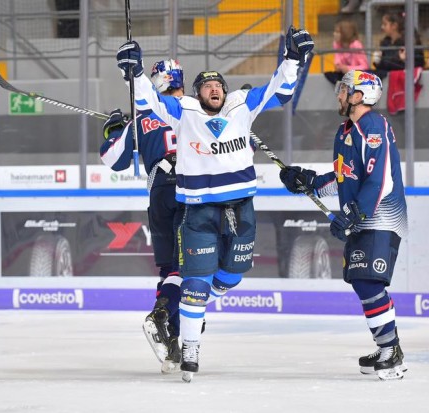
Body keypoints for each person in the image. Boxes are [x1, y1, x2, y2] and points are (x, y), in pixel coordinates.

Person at [115, 25, 314, 382]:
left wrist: (293, 59)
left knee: (230, 277)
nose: (214, 89)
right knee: (193, 281)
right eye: (207, 86)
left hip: (241, 209)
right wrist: (134, 73)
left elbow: (278, 90)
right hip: (199, 211)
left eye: (218, 84)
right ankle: (189, 349)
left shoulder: (241, 104)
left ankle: (194, 310)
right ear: (197, 92)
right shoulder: (184, 111)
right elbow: (149, 101)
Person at [279, 70, 408, 381]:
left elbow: (380, 179)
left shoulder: (373, 126)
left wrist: (354, 213)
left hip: (380, 217)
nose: (338, 94)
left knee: (368, 282)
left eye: (344, 89)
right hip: (364, 218)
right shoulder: (346, 131)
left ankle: (392, 350)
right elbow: (343, 177)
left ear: (359, 96)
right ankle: (386, 345)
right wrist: (307, 181)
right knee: (361, 280)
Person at [100, 59, 186, 374]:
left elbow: (112, 158)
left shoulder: (143, 118)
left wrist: (113, 127)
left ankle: (173, 335)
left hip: (160, 192)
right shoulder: (195, 109)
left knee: (170, 269)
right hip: (192, 192)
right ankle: (167, 317)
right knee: (191, 268)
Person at [371, 10, 424, 79]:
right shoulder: (385, 42)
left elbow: (419, 63)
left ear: (394, 26)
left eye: (385, 24)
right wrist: (377, 62)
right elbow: (385, 66)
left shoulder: (408, 42)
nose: (382, 27)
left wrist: (404, 60)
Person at [324, 19, 368, 85]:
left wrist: (349, 69)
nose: (334, 34)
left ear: (345, 33)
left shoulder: (356, 45)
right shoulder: (336, 44)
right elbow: (337, 59)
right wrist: (338, 66)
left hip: (357, 77)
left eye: (337, 32)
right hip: (344, 75)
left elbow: (365, 66)